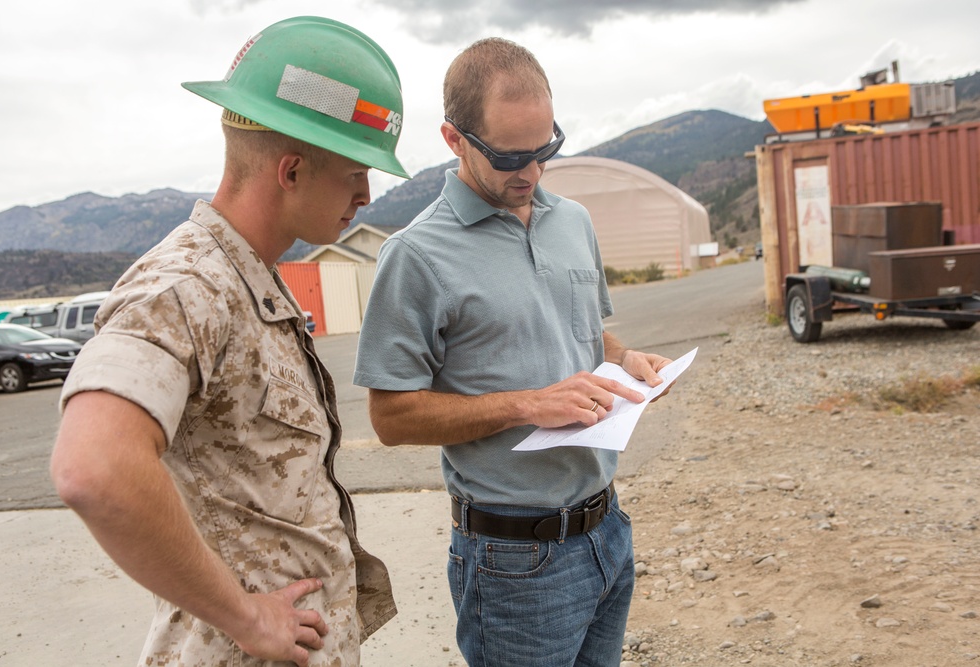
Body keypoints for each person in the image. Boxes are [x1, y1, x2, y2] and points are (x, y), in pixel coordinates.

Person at [50, 17, 409, 667]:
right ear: (293, 170)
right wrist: (245, 615)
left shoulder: (250, 278)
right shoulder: (187, 284)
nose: (364, 194)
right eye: (356, 172)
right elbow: (93, 466)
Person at [353, 37, 673, 666]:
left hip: (607, 529)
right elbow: (391, 418)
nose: (529, 173)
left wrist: (626, 358)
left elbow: (582, 331)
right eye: (508, 156)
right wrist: (527, 404)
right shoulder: (415, 257)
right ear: (453, 139)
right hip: (513, 563)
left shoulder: (573, 222)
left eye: (545, 149)